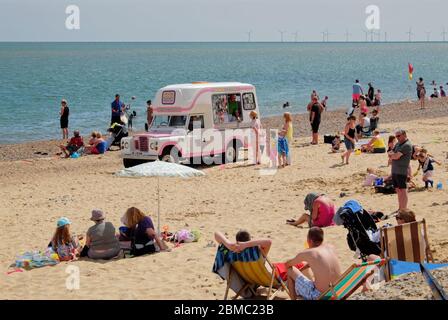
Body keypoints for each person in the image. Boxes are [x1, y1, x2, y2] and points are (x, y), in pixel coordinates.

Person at [286, 227, 342, 300]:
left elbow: (288, 264)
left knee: (290, 270)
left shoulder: (309, 252)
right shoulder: (331, 247)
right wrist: (306, 266)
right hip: (338, 292)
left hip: (319, 296)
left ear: (310, 241)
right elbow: (323, 264)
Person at [388, 129, 413, 211]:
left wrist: (392, 155)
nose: (397, 138)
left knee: (403, 189)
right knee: (398, 190)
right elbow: (390, 152)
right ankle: (400, 207)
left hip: (402, 171)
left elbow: (395, 156)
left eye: (398, 136)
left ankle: (404, 208)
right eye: (396, 136)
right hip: (395, 170)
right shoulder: (398, 144)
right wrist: (392, 155)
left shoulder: (407, 145)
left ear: (404, 135)